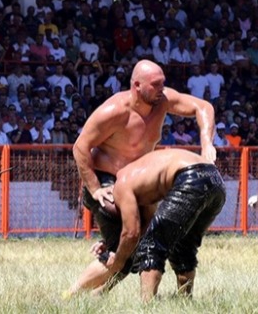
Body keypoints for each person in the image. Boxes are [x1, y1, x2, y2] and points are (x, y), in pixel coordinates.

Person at [68, 59, 216, 294]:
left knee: (140, 245)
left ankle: (98, 290)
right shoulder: (114, 110)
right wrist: (95, 188)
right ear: (137, 85)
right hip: (107, 182)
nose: (161, 89)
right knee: (125, 245)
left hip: (136, 185)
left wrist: (206, 142)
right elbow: (80, 147)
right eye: (155, 85)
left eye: (163, 83)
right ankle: (71, 295)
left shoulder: (163, 101)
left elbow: (204, 107)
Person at [101, 148, 225, 302]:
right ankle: (185, 302)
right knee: (183, 245)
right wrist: (110, 244)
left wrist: (118, 262)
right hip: (215, 178)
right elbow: (147, 226)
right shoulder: (140, 175)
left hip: (190, 177)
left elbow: (131, 233)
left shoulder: (121, 184)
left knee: (151, 246)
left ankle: (147, 306)